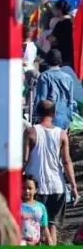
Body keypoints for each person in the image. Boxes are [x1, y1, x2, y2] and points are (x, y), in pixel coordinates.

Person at [23, 99, 79, 245]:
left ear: (37, 112)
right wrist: (73, 187)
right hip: (57, 187)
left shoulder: (31, 132)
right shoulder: (61, 134)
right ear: (53, 114)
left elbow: (24, 160)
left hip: (35, 187)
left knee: (34, 228)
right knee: (51, 226)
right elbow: (67, 162)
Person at [35, 49, 76, 131]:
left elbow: (41, 100)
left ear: (47, 61)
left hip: (49, 121)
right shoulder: (68, 78)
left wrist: (35, 118)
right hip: (65, 120)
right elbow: (70, 102)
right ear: (60, 61)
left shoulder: (44, 76)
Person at [21, 174, 51, 246]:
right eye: (23, 188)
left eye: (30, 188)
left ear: (35, 190)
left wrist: (49, 241)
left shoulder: (41, 207)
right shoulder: (16, 206)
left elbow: (45, 228)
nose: (27, 191)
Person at [48, 0, 74, 67]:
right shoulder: (72, 22)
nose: (54, 11)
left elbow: (54, 39)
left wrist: (48, 37)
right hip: (69, 56)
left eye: (55, 9)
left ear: (59, 10)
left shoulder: (61, 23)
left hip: (61, 58)